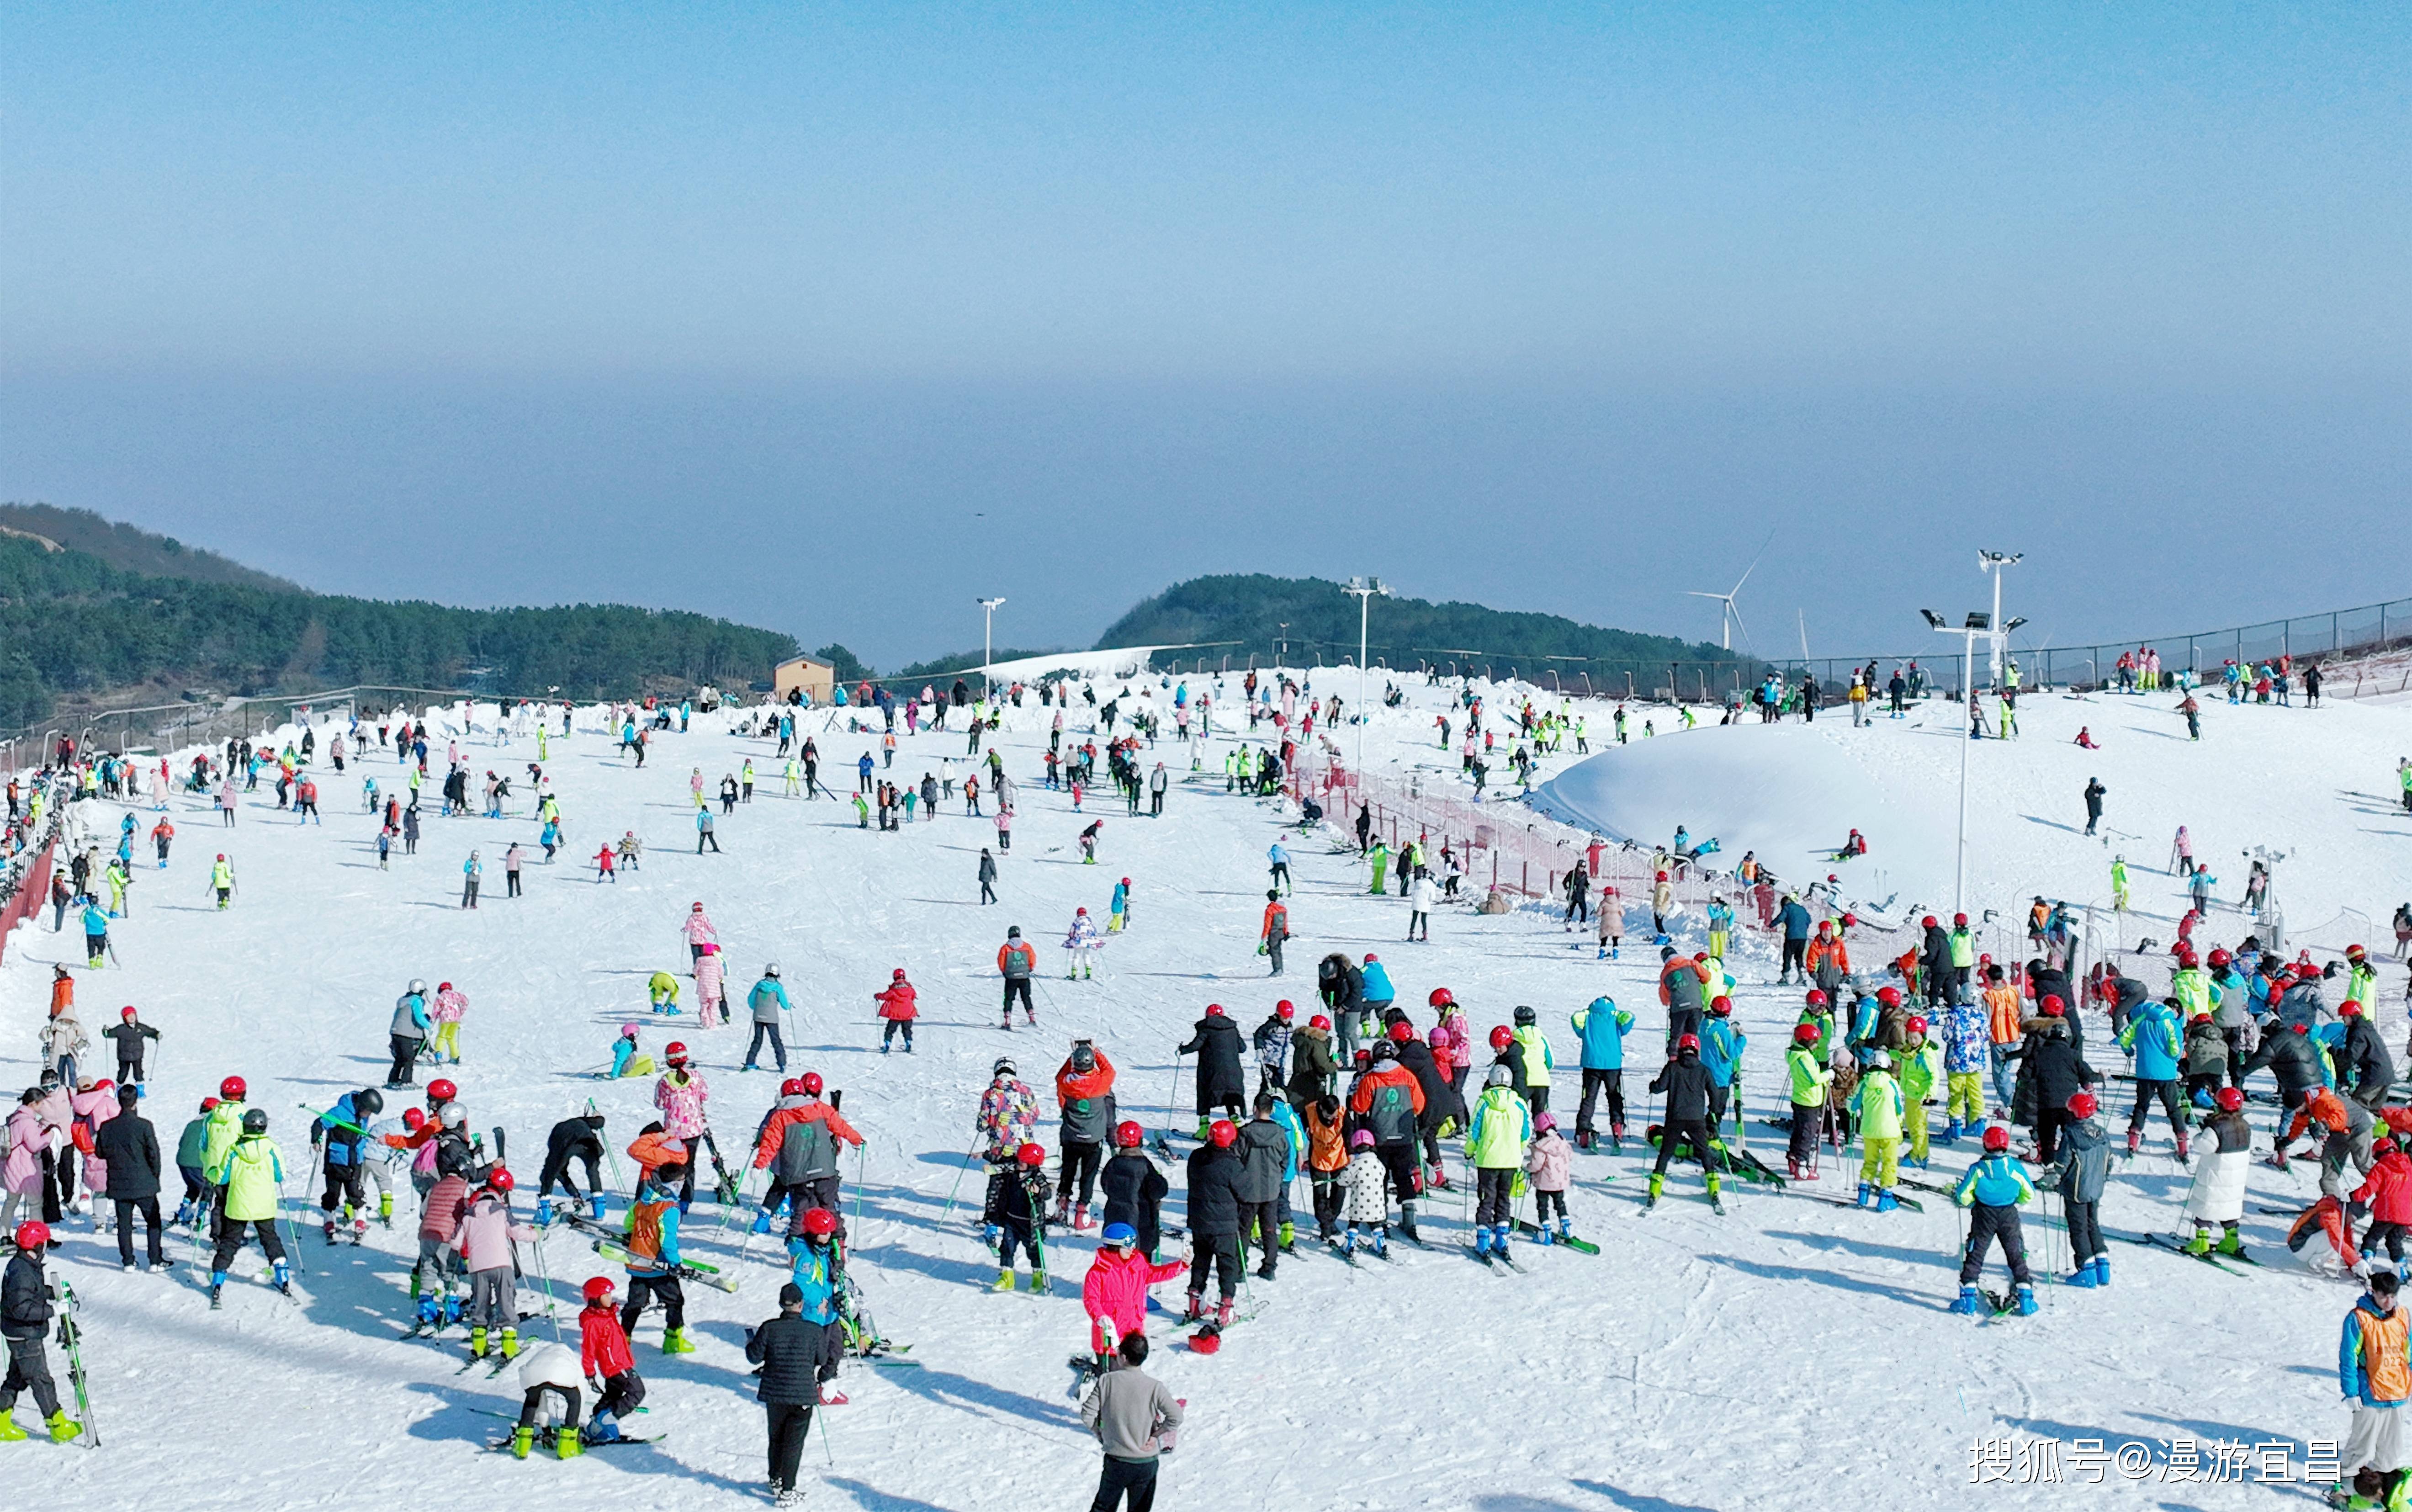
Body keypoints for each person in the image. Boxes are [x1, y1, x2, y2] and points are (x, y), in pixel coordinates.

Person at [1080, 1331, 1184, 1512]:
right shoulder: (1154, 1387)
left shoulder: (1107, 1381)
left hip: (1116, 1461)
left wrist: (1099, 1433)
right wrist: (1156, 1436)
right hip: (1146, 1463)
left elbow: (1087, 1414)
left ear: (1124, 1357)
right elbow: (1176, 1417)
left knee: (1103, 1508)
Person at [0, 1221, 81, 1442]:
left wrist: (52, 1292)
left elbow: (30, 1295)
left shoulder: (25, 1265)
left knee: (16, 1378)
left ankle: (2, 1422)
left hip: (21, 1332)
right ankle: (58, 1425)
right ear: (37, 1245)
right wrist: (52, 1310)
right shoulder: (22, 1272)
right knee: (40, 1379)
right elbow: (21, 1308)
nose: (46, 1247)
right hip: (24, 1334)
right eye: (44, 1243)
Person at [2337, 1270, 2412, 1507]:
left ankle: (2381, 1486)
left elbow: (2408, 1351)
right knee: (2362, 1443)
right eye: (2383, 1296)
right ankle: (2346, 1485)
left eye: (2393, 1296)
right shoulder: (2359, 1318)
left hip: (2397, 1391)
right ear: (2373, 1291)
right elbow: (2348, 1356)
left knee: (2392, 1446)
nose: (2388, 1301)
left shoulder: (2403, 1316)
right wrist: (2351, 1392)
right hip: (2370, 1393)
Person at [748, 1281, 825, 1508]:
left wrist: (750, 1343)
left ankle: (775, 1478)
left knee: (777, 1437)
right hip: (802, 1394)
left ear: (782, 1305)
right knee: (794, 1444)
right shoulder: (814, 1330)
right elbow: (821, 1359)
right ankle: (787, 1491)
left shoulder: (769, 1328)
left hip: (775, 1393)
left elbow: (754, 1357)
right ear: (801, 1305)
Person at [1950, 1125, 2038, 1316]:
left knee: (1976, 1253)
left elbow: (1963, 1195)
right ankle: (2026, 1298)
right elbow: (2029, 1194)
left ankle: (1967, 1300)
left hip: (1983, 1214)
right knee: (2015, 1253)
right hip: (2008, 1214)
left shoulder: (1978, 1169)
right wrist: (2018, 1200)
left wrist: (1970, 1202)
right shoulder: (2015, 1168)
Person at [1080, 1223, 1187, 1375]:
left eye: (1133, 1245)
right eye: (1128, 1246)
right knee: (1113, 1377)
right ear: (1115, 1248)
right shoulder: (1098, 1272)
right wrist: (1100, 1317)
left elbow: (1156, 1273)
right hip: (1111, 1335)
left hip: (1133, 1333)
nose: (1132, 1249)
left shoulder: (1137, 1263)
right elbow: (1091, 1300)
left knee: (1132, 1375)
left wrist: (1181, 1265)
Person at [208, 1109, 291, 1305]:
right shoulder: (272, 1148)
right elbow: (280, 1176)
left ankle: (219, 1278)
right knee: (270, 1238)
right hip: (264, 1204)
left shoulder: (234, 1150)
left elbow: (221, 1178)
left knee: (230, 1241)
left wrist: (211, 1173)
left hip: (239, 1203)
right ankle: (283, 1275)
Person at [620, 1162, 695, 1353]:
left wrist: (633, 1236)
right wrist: (675, 1263)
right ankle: (673, 1340)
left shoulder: (644, 1200)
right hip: (658, 1266)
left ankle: (623, 1339)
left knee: (635, 1304)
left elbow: (629, 1222)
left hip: (637, 1262)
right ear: (677, 1183)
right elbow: (667, 1239)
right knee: (675, 1301)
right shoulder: (669, 1207)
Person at [94, 1083, 168, 1271]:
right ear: (135, 1102)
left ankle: (128, 1261)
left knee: (124, 1224)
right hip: (144, 1182)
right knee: (153, 1221)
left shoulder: (107, 1127)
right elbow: (154, 1155)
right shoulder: (144, 1126)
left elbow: (100, 1153)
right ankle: (155, 1260)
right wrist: (154, 1177)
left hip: (119, 1184)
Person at [1646, 1035, 1719, 1210]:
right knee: (1704, 1152)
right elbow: (1715, 1094)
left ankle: (1655, 1190)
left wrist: (1652, 1086)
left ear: (1680, 1049)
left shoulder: (1673, 1067)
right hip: (1696, 1119)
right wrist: (1712, 1114)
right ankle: (1714, 1188)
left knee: (1666, 1153)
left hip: (1675, 1118)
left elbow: (1660, 1087)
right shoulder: (1704, 1070)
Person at [1182, 1122, 1245, 1324]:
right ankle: (1225, 1309)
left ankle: (1195, 1303)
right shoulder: (1232, 1165)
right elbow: (1245, 1192)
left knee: (1201, 1262)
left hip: (1200, 1221)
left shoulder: (1196, 1157)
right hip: (1224, 1225)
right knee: (1228, 1265)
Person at [577, 1276, 646, 1444]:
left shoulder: (606, 1314)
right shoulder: (593, 1322)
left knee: (612, 1396)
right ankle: (607, 1419)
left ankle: (597, 1426)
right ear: (595, 1299)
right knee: (637, 1392)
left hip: (618, 1364)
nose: (611, 1299)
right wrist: (590, 1373)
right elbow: (588, 1348)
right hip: (617, 1366)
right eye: (606, 1296)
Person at [2054, 1091, 2111, 1285]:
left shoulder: (2071, 1135)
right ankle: (2103, 1265)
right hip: (2096, 1187)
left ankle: (2086, 1269)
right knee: (2092, 1223)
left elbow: (2062, 1164)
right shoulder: (2102, 1133)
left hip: (2076, 1190)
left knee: (2078, 1229)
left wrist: (2054, 1177)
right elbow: (2109, 1161)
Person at [985, 1141, 1054, 1293]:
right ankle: (1007, 1277)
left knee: (1034, 1251)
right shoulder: (1013, 1172)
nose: (1019, 1163)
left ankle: (1038, 1277)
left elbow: (1048, 1192)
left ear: (1032, 1164)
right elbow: (1002, 1166)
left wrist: (1038, 1190)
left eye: (1023, 1162)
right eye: (1019, 1160)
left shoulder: (1037, 1177)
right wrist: (990, 1165)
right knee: (1007, 1248)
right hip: (1012, 1219)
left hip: (1030, 1223)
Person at [1099, 1123, 1169, 1257]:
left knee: (1116, 1262)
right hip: (1141, 1224)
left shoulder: (1113, 1164)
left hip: (1116, 1222)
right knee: (1140, 1264)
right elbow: (1158, 1191)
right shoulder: (1145, 1166)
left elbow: (1105, 1186)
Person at [1178, 1004, 1247, 1138]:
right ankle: (1237, 1123)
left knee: (1205, 1094)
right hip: (1233, 1072)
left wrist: (1183, 1050)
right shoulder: (1232, 1029)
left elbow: (1196, 1045)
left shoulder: (1207, 1029)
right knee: (1229, 1095)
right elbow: (1243, 1048)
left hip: (1211, 1072)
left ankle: (1204, 1128)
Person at [1851, 1050, 1906, 1210]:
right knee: (1889, 1164)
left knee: (1870, 1162)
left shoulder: (1864, 1083)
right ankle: (1885, 1198)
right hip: (1890, 1132)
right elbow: (1898, 1107)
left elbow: (1853, 1105)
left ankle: (1863, 1195)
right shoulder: (1892, 1083)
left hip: (1870, 1131)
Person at [744, 966, 792, 1073]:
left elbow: (751, 999)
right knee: (776, 1041)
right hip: (772, 1019)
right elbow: (785, 1004)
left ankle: (750, 1062)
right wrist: (789, 1006)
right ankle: (782, 1064)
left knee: (757, 1040)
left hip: (758, 1017)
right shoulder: (778, 987)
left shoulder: (759, 985)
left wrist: (755, 1008)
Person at [998, 926, 1040, 1030]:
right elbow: (1032, 959)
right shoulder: (1027, 946)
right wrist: (1029, 969)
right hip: (1024, 976)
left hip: (1011, 977)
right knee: (1026, 997)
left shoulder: (1006, 948)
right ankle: (1032, 1018)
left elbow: (1001, 961)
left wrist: (1005, 972)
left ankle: (1007, 1020)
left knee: (1009, 998)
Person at [875, 967, 917, 1054]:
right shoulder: (910, 989)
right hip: (908, 1014)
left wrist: (877, 996)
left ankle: (887, 1045)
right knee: (907, 1029)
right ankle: (908, 1044)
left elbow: (885, 996)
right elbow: (913, 996)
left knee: (890, 1030)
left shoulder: (893, 990)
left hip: (896, 1015)